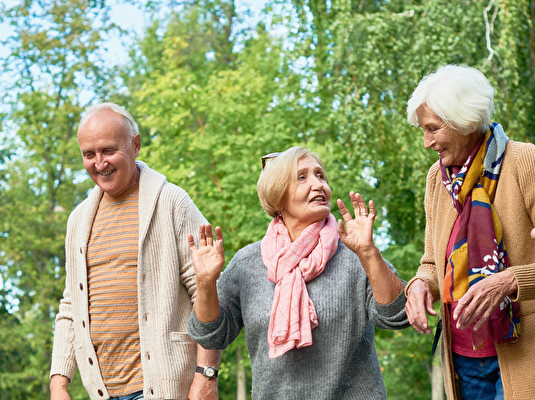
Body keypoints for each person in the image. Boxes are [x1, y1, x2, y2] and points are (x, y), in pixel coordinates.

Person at [187, 147, 408, 399]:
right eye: (302, 177)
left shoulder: (354, 252)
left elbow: (397, 315)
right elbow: (211, 335)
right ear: (278, 196)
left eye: (320, 176)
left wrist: (368, 253)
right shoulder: (247, 263)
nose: (318, 184)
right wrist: (205, 282)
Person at [49, 102, 220, 400]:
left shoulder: (172, 202)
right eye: (89, 154)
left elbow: (206, 290)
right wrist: (59, 383)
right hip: (101, 390)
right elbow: (70, 306)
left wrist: (206, 376)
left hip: (166, 388)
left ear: (136, 145)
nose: (99, 163)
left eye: (108, 150)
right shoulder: (78, 220)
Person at [404, 64, 535, 399]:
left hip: (524, 354)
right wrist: (419, 286)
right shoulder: (437, 179)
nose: (426, 142)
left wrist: (510, 280)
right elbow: (432, 263)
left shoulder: (525, 162)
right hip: (463, 359)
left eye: (432, 129)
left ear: (463, 121)